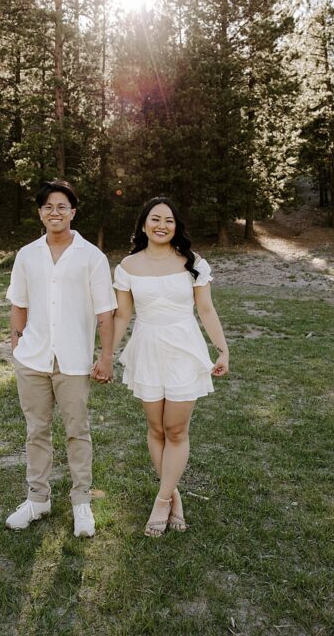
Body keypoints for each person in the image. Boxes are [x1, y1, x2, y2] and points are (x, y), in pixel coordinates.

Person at [110, 197, 229, 536]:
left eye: (169, 220)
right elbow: (122, 315)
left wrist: (222, 350)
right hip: (147, 348)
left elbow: (206, 309)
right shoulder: (128, 267)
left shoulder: (192, 263)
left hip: (183, 349)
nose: (162, 225)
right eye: (155, 218)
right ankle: (172, 492)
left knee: (176, 430)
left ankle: (161, 502)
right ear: (143, 224)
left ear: (176, 226)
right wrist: (106, 354)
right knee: (156, 429)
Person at [5, 180, 117, 538]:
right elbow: (18, 304)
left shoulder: (91, 257)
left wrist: (106, 357)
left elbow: (105, 313)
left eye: (62, 206)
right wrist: (17, 345)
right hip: (33, 359)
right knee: (36, 430)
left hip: (73, 360)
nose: (55, 212)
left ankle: (81, 502)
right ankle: (38, 499)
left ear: (73, 212)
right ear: (40, 213)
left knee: (76, 431)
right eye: (48, 207)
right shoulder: (27, 255)